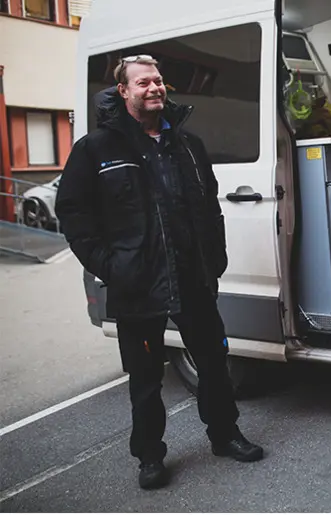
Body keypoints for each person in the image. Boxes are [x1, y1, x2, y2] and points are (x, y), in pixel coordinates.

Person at [55, 55, 263, 490]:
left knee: (214, 364)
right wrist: (111, 267)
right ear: (124, 92)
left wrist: (215, 259)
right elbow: (74, 215)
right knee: (146, 379)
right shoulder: (96, 149)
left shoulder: (188, 145)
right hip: (138, 284)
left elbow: (209, 206)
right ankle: (150, 456)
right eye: (143, 82)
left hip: (192, 278)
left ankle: (225, 435)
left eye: (158, 80)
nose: (154, 88)